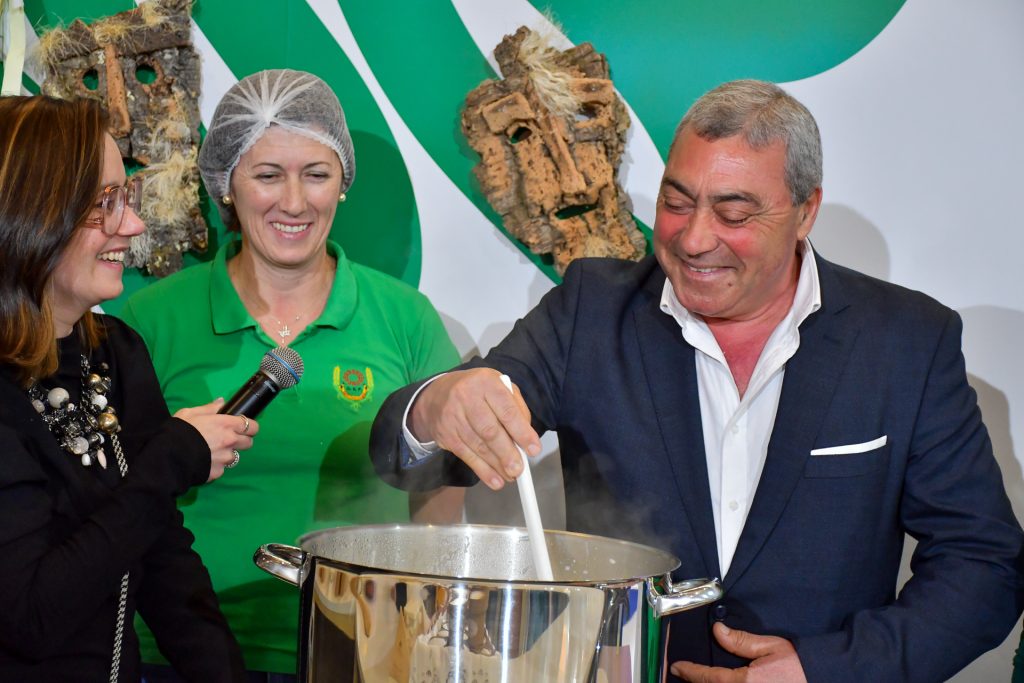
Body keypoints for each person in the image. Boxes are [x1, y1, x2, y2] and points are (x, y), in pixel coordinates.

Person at [369, 79, 1024, 682]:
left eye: (734, 214)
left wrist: (823, 671)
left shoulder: (906, 341)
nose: (693, 239)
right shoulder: (591, 310)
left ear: (805, 212)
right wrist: (435, 408)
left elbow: (984, 565)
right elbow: (415, 454)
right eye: (676, 203)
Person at [120, 69, 463, 681]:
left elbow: (440, 491)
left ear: (343, 183)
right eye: (268, 175)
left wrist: (428, 630)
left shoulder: (405, 319)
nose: (295, 202)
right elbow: (114, 495)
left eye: (316, 174)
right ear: (227, 184)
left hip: (361, 651)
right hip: (177, 654)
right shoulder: (151, 320)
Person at [0, 96, 255, 681]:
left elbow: (163, 559)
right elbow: (31, 617)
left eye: (127, 197)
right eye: (103, 203)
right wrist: (170, 461)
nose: (133, 226)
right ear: (30, 213)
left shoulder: (113, 351)